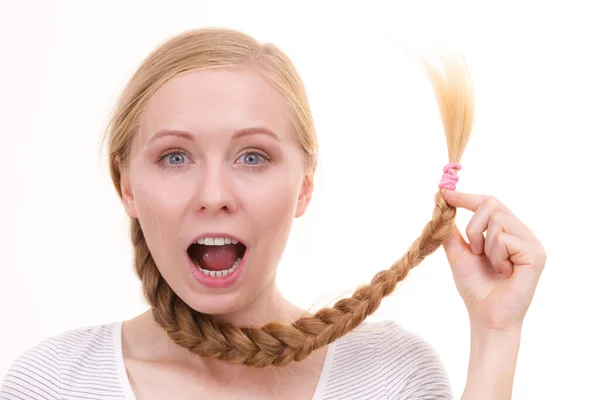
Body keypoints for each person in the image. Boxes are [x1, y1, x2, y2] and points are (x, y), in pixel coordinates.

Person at [0, 28, 546, 400]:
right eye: (174, 157)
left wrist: (496, 335)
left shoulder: (391, 376)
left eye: (253, 156)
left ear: (304, 188)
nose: (213, 193)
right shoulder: (51, 383)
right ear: (128, 188)